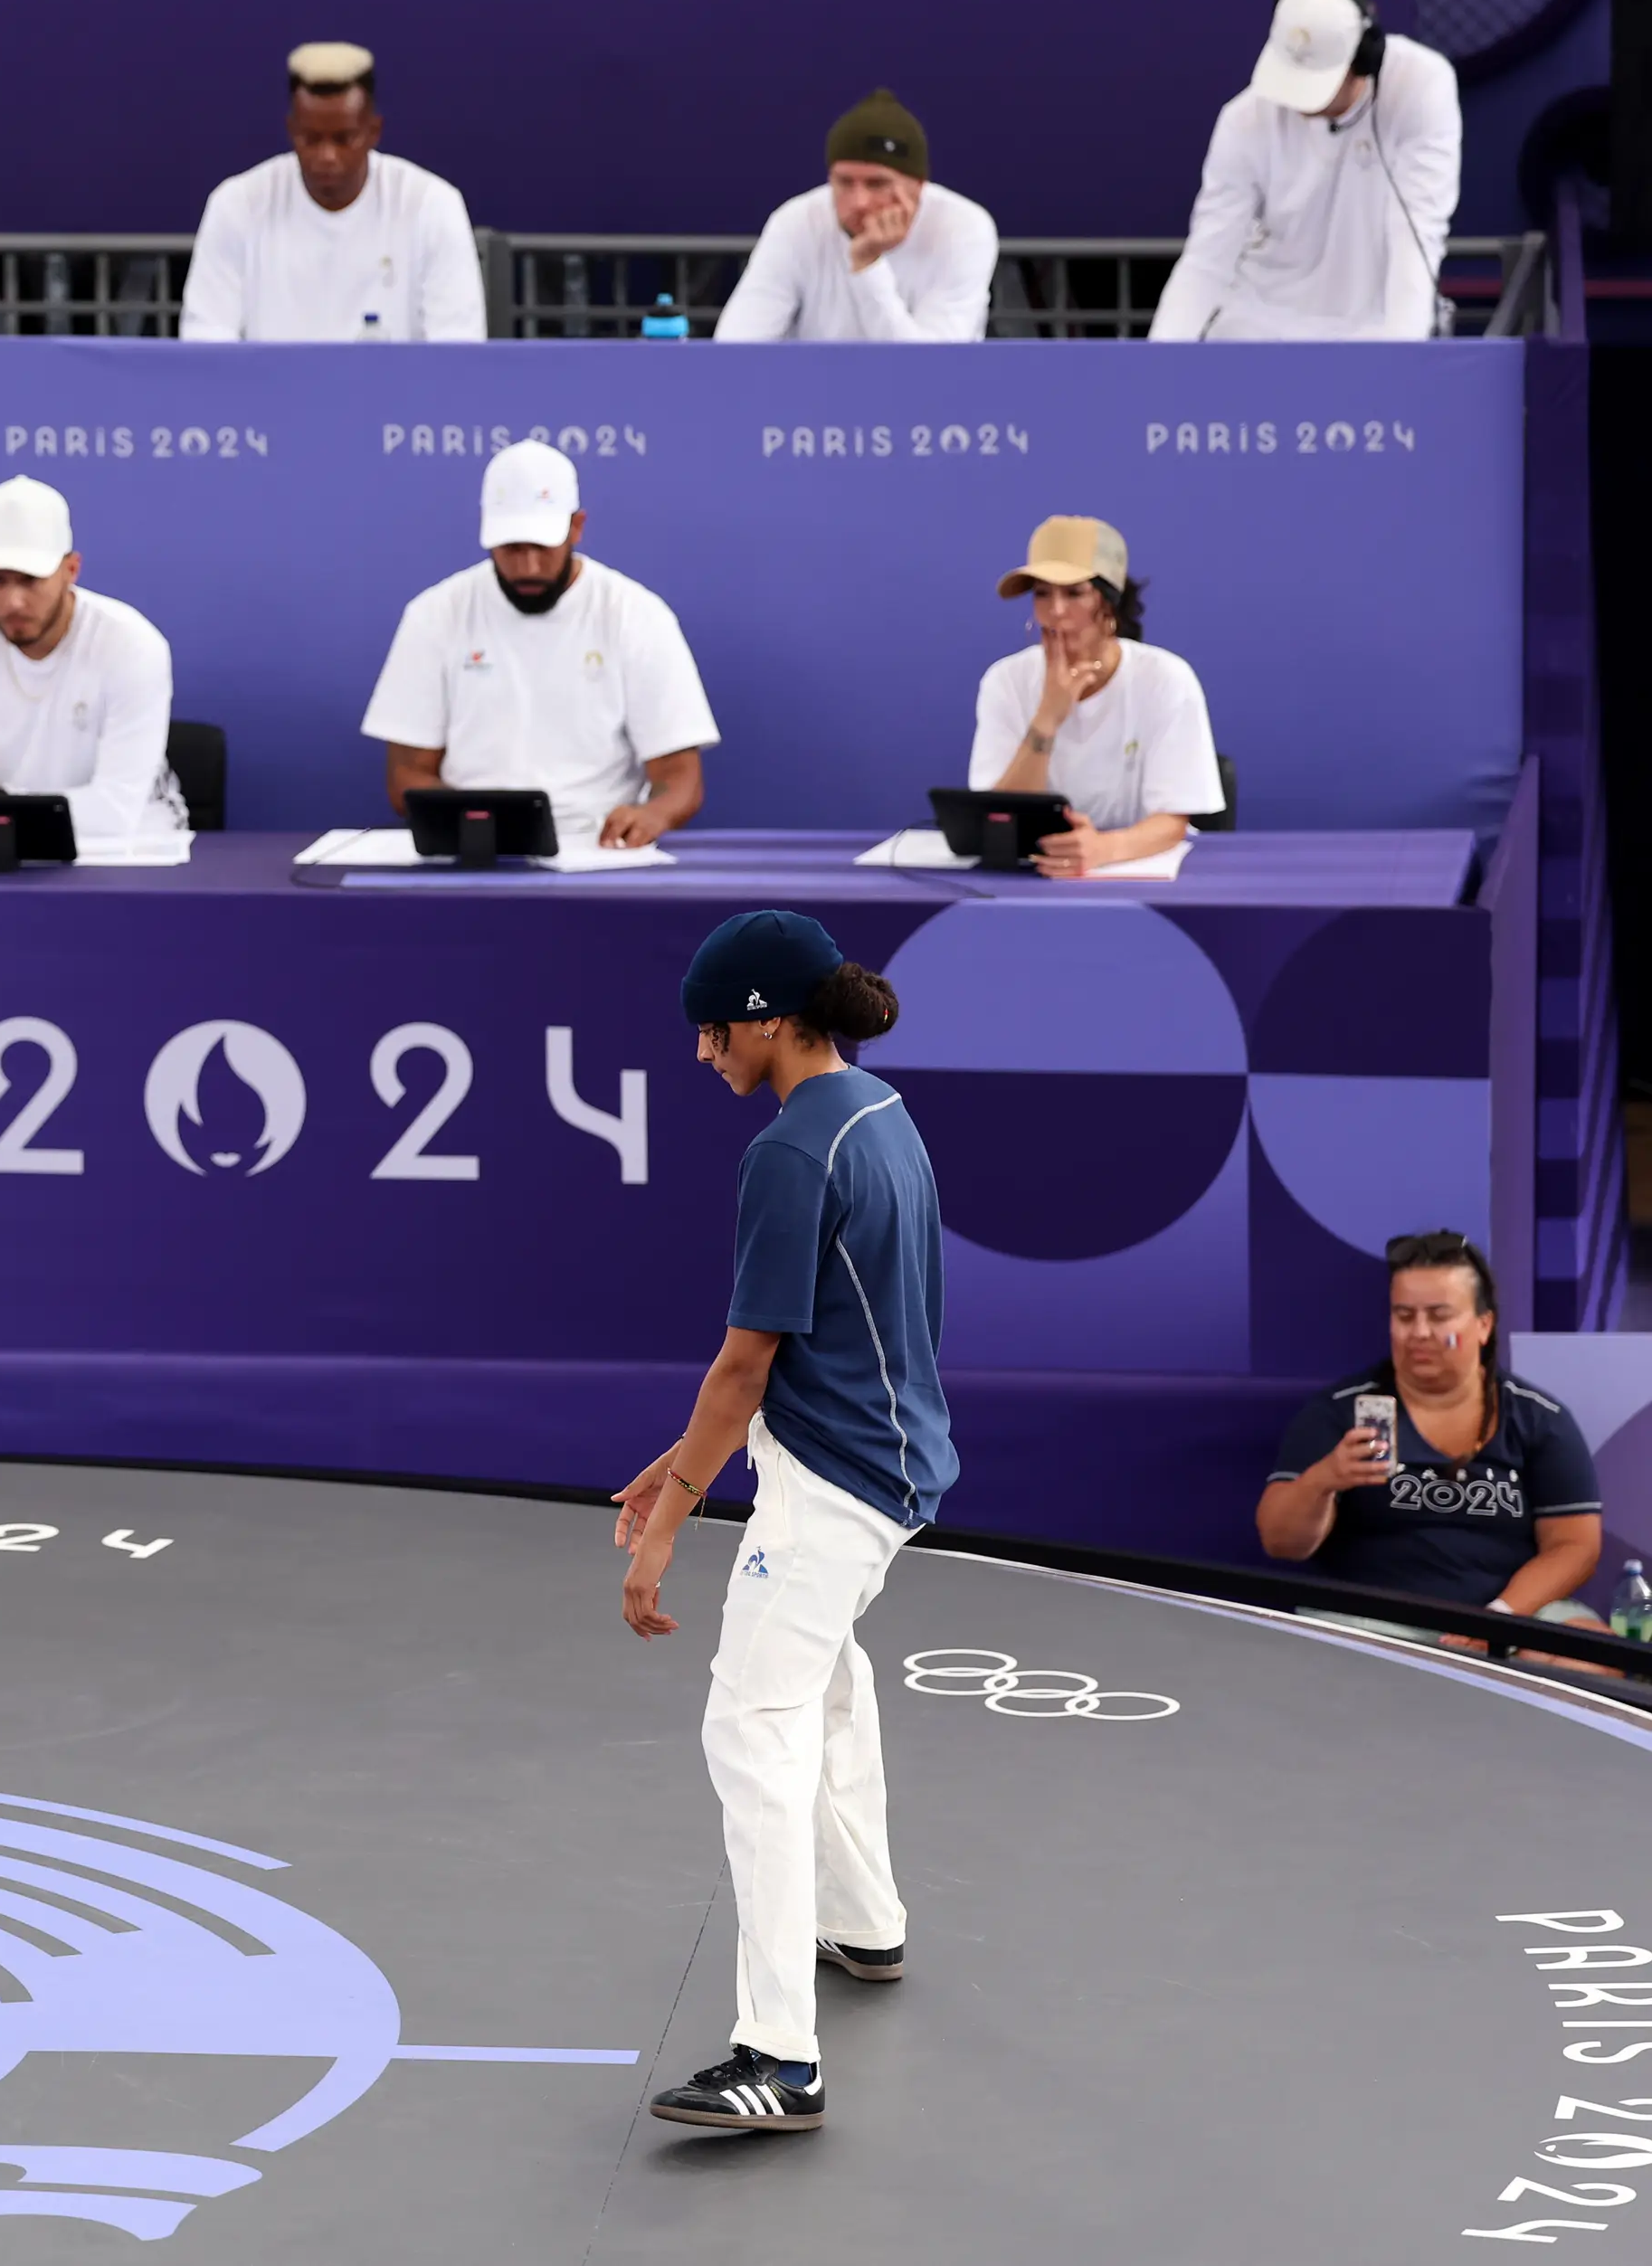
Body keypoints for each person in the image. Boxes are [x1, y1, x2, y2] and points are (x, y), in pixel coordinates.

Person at [612, 912, 949, 2136]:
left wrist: (667, 1524)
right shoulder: (881, 1115)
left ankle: (778, 2057)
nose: (703, 1052)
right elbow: (827, 1339)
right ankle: (865, 1924)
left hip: (833, 1485)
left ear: (766, 1019)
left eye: (713, 1029)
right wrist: (678, 1460)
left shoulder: (789, 1154)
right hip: (889, 1460)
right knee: (827, 1688)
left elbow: (745, 1364)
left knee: (751, 1724)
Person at [360, 439, 717, 850]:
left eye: (543, 547)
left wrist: (652, 815)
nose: (528, 567)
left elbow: (679, 775)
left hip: (603, 849)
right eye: (512, 548)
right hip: (472, 849)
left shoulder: (636, 614)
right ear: (486, 533)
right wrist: (477, 828)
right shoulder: (435, 613)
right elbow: (408, 773)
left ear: (576, 527)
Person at [1259, 1230, 1605, 1636]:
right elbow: (1279, 1541)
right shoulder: (1338, 1411)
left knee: (1592, 1665)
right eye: (1404, 1316)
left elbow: (1575, 1546)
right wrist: (1324, 1480)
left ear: (1483, 1325)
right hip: (1372, 1620)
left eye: (1439, 1316)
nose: (1419, 1333)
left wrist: (1499, 1617)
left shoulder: (1538, 1418)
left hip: (1508, 1614)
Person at [1153, 0, 1459, 342]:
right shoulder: (1243, 119)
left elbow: (1416, 230)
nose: (1296, 102)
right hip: (1260, 327)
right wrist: (1159, 362)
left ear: (1361, 60)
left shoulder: (1419, 85)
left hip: (1372, 332)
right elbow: (1208, 256)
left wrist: (1402, 349)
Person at [0, 477, 182, 845]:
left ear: (71, 570)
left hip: (130, 850)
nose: (13, 601)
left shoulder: (132, 644)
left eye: (30, 579)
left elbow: (114, 813)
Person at [178, 42, 487, 343]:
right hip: (266, 394)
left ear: (373, 132)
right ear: (291, 131)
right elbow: (207, 344)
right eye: (311, 139)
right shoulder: (238, 206)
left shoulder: (431, 205)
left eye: (344, 138)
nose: (327, 155)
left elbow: (457, 348)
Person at [968, 516, 1223, 877]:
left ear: (1110, 603)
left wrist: (1103, 849)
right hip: (1033, 873)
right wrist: (1047, 718)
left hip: (1138, 871)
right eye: (1042, 593)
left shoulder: (1165, 679)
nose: (1055, 611)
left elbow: (1172, 820)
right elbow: (1000, 815)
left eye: (1074, 592)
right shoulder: (1005, 681)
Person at [716, 89, 996, 343]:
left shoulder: (964, 229)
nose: (859, 202)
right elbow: (736, 344)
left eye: (877, 184)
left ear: (918, 186)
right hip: (813, 391)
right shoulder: (796, 222)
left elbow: (927, 368)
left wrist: (868, 266)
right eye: (844, 182)